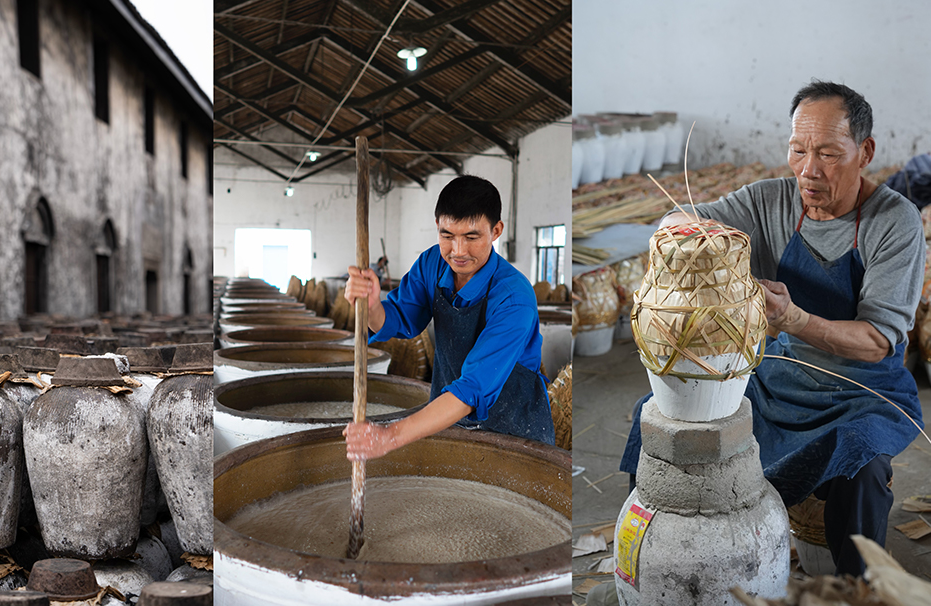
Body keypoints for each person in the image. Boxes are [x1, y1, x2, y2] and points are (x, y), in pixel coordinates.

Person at [619, 81, 925, 576]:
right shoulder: (767, 201)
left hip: (862, 392)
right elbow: (675, 218)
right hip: (776, 378)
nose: (809, 169)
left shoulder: (896, 222)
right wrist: (702, 257)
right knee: (654, 423)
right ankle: (652, 564)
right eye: (798, 150)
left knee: (861, 467)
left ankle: (861, 587)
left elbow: (875, 343)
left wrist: (793, 319)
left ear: (864, 152)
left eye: (828, 153)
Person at [342, 175, 555, 460]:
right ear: (437, 227)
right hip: (451, 416)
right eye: (447, 236)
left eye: (471, 237)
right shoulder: (432, 263)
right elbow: (399, 320)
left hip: (515, 427)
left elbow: (474, 388)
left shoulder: (513, 297)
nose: (458, 251)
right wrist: (370, 306)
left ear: (496, 231)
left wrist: (390, 436)